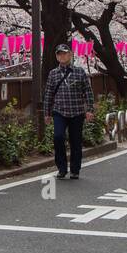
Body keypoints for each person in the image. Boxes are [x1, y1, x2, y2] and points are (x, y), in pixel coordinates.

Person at [42, 43, 95, 180]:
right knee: (58, 137)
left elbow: (88, 92)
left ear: (70, 55)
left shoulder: (79, 72)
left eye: (65, 53)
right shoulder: (53, 73)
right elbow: (48, 94)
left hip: (76, 111)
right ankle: (61, 168)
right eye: (59, 54)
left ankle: (75, 169)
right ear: (56, 56)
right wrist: (46, 113)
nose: (62, 56)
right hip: (59, 111)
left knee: (75, 141)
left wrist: (89, 109)